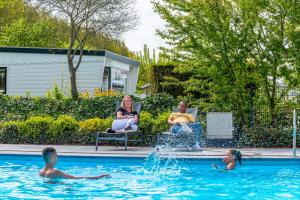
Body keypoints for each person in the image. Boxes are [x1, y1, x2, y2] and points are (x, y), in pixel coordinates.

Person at [39, 147, 110, 179]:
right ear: (53, 158)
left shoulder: (41, 171)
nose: (58, 157)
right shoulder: (55, 172)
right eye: (56, 155)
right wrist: (99, 177)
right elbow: (75, 178)